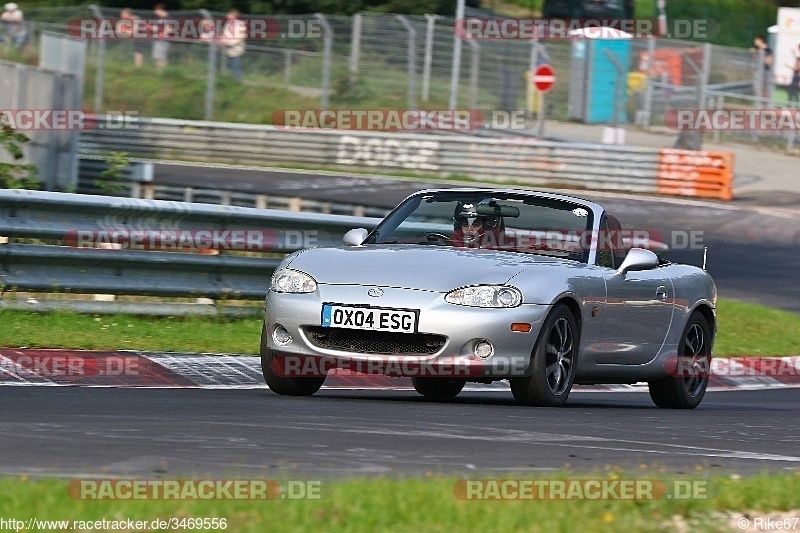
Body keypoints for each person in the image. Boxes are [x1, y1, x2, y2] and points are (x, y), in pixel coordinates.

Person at [219, 9, 246, 82]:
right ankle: (233, 80)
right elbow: (224, 34)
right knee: (231, 65)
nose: (227, 16)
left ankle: (238, 81)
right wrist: (221, 41)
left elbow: (240, 37)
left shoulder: (240, 24)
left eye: (229, 14)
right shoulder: (228, 24)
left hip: (236, 49)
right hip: (228, 49)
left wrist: (229, 43)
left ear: (233, 15)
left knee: (236, 66)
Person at [151, 3, 170, 71]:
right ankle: (158, 71)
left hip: (164, 40)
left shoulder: (168, 17)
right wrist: (150, 27)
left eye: (156, 10)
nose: (155, 12)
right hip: (157, 40)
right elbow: (158, 28)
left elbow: (170, 27)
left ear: (160, 10)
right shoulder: (159, 19)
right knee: (156, 56)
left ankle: (163, 71)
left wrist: (163, 34)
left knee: (162, 57)